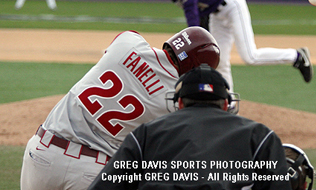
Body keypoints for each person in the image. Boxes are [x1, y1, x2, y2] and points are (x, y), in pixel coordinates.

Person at [20, 27, 220, 190]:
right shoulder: (174, 102)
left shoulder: (128, 43)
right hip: (92, 172)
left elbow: (128, 35)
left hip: (42, 152)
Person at [88, 64, 292, 190]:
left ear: (181, 103)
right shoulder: (260, 135)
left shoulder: (147, 132)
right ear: (224, 104)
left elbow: (106, 185)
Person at [151, 0, 313, 92]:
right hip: (216, 14)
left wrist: (193, 40)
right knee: (219, 61)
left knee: (250, 56)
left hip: (232, 7)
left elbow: (192, 18)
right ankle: (229, 104)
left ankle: (297, 56)